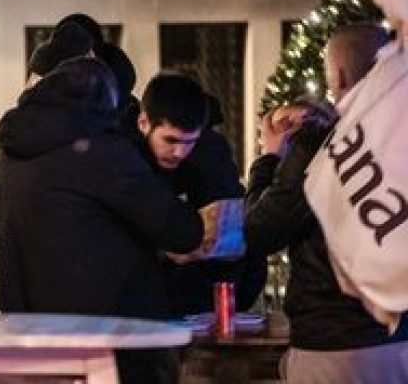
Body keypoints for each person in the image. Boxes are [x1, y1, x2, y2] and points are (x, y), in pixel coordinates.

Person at [0, 56, 204, 384]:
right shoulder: (101, 152)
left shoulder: (7, 157)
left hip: (26, 335)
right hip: (105, 340)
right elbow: (181, 230)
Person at [245, 23, 408, 383]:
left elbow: (258, 232)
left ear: (338, 75)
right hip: (399, 338)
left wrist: (270, 159)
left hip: (334, 346)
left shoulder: (325, 149)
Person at [131, 74, 265, 316]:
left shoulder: (211, 157)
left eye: (189, 142)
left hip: (207, 303)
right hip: (145, 305)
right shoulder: (125, 161)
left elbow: (240, 234)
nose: (179, 152)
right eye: (170, 140)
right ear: (143, 123)